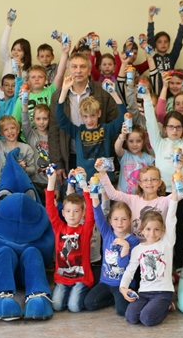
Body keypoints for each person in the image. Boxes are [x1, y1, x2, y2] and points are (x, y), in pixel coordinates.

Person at [48, 52, 119, 184]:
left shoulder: (102, 91)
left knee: (100, 197)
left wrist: (110, 154)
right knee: (73, 199)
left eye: (83, 67)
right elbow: (53, 130)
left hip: (98, 157)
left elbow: (114, 122)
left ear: (90, 69)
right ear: (68, 69)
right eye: (74, 67)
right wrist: (57, 162)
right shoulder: (58, 95)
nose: (78, 71)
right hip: (69, 156)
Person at [119, 189, 179, 327]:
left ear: (163, 230)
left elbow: (171, 219)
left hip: (162, 293)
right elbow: (129, 271)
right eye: (148, 229)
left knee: (147, 319)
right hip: (144, 293)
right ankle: (154, 307)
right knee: (131, 318)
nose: (152, 233)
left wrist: (175, 193)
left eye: (157, 229)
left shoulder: (166, 243)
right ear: (141, 230)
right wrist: (123, 288)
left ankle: (167, 306)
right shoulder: (137, 249)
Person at [55, 74, 125, 180]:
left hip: (105, 180)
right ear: (81, 116)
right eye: (86, 116)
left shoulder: (106, 129)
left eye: (93, 115)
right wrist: (64, 91)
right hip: (84, 180)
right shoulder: (77, 131)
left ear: (99, 114)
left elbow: (124, 116)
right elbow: (60, 120)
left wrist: (113, 93)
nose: (90, 120)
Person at [46, 169, 95, 313]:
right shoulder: (58, 227)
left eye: (76, 211)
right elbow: (50, 208)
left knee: (74, 307)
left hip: (81, 279)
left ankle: (83, 293)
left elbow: (91, 210)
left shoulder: (85, 230)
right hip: (62, 278)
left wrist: (84, 187)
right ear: (63, 212)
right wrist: (51, 181)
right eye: (68, 211)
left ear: (83, 213)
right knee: (57, 306)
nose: (72, 215)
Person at [83, 199, 139, 316]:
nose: (120, 223)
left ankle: (120, 299)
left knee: (122, 311)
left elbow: (123, 264)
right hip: (105, 282)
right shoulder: (107, 233)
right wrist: (94, 198)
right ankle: (114, 300)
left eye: (124, 219)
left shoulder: (133, 241)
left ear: (129, 221)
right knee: (89, 304)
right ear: (110, 221)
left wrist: (125, 246)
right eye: (116, 219)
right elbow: (98, 217)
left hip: (123, 284)